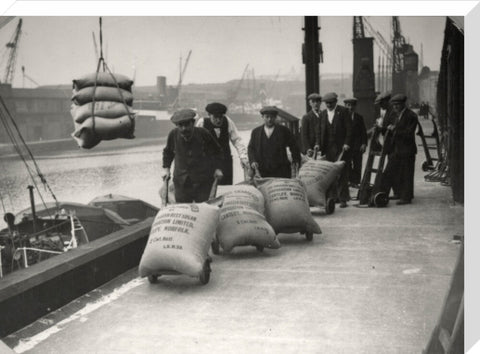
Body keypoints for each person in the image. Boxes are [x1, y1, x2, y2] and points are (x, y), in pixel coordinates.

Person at [162, 108, 224, 203]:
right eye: (180, 125)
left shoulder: (203, 134)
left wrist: (218, 168)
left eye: (187, 125)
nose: (184, 128)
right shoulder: (173, 135)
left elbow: (217, 151)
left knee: (203, 208)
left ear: (193, 122)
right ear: (177, 126)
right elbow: (168, 153)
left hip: (202, 181)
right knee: (183, 209)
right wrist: (166, 169)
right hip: (181, 182)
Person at [196, 102, 248, 185]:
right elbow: (196, 144)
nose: (219, 120)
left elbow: (237, 140)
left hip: (225, 162)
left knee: (226, 188)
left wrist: (243, 157)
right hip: (208, 163)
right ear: (209, 115)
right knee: (208, 189)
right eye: (215, 117)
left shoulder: (228, 122)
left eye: (221, 117)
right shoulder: (202, 123)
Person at [381, 94, 419, 205]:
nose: (395, 107)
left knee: (407, 174)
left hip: (407, 150)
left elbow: (409, 133)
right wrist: (383, 128)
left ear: (403, 104)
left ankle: (406, 197)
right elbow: (391, 128)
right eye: (394, 105)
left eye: (398, 105)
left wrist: (394, 130)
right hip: (396, 149)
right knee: (391, 172)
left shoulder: (411, 116)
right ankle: (389, 194)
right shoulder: (396, 115)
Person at [318, 92, 352, 208]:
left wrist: (347, 143)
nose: (328, 105)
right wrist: (318, 144)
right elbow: (320, 132)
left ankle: (343, 199)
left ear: (335, 102)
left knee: (342, 173)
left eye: (331, 103)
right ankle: (332, 198)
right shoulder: (322, 114)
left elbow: (349, 129)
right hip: (327, 149)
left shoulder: (343, 111)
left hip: (341, 148)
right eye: (326, 103)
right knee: (329, 174)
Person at [248, 106, 301, 178]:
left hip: (281, 171)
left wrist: (296, 160)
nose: (269, 119)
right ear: (262, 117)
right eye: (267, 117)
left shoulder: (284, 131)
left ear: (275, 117)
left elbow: (294, 146)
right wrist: (253, 161)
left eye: (272, 117)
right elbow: (251, 148)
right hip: (262, 171)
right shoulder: (256, 132)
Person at [374, 91, 400, 199]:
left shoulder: (392, 112)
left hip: (395, 146)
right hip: (390, 146)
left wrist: (381, 128)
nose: (380, 106)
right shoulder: (387, 111)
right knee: (393, 170)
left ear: (386, 101)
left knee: (389, 171)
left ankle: (383, 193)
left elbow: (393, 129)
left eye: (381, 103)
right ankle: (397, 192)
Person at [343, 97, 367, 188]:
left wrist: (364, 143)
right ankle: (349, 181)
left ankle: (356, 182)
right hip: (347, 146)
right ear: (345, 106)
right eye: (348, 105)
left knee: (357, 164)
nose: (350, 107)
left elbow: (363, 132)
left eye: (352, 105)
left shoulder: (359, 117)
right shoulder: (342, 118)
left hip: (357, 146)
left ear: (355, 106)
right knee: (347, 164)